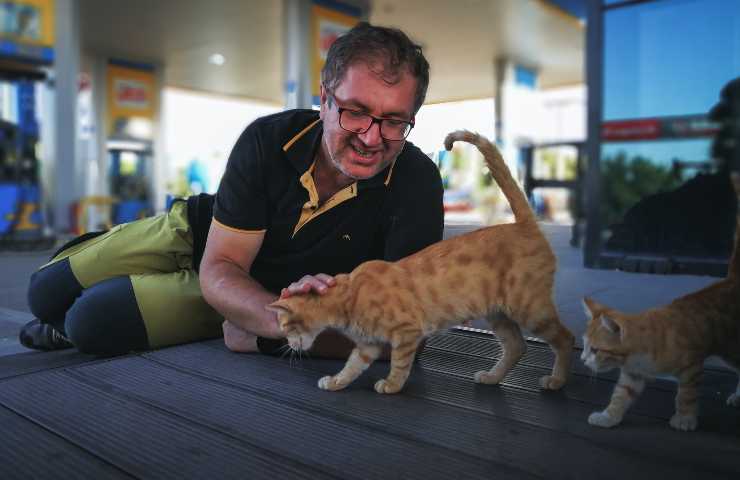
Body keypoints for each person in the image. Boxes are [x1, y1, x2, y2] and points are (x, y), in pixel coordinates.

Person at [20, 22, 444, 357]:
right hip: (201, 236)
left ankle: (72, 322)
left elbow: (407, 334)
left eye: (394, 121)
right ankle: (109, 256)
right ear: (325, 99)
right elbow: (222, 262)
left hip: (251, 287)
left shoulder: (416, 183)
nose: (371, 138)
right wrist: (292, 326)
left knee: (88, 322)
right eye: (356, 112)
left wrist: (265, 334)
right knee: (45, 291)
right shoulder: (268, 140)